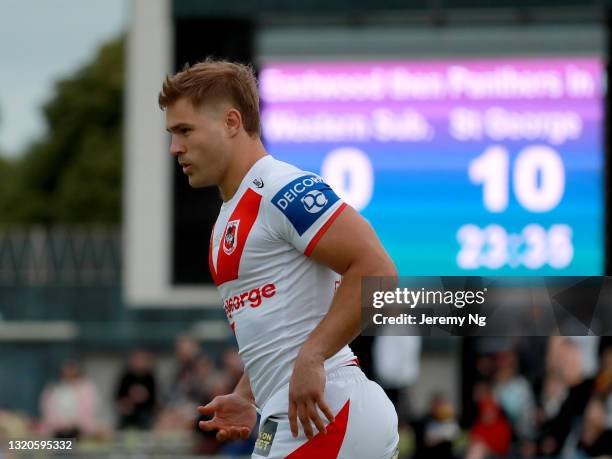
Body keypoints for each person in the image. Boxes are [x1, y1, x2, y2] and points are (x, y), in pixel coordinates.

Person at [158, 58, 399, 458]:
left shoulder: (282, 187)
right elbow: (281, 322)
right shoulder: (227, 217)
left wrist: (315, 354)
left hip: (328, 409)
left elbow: (380, 272)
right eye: (171, 133)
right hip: (294, 413)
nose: (174, 147)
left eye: (185, 130)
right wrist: (246, 394)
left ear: (232, 122)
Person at [115, 349, 157, 430]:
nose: (139, 362)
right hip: (128, 411)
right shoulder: (126, 376)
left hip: (145, 411)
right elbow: (118, 396)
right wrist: (127, 402)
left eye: (142, 360)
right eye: (137, 359)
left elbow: (153, 399)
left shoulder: (150, 377)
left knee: (146, 419)